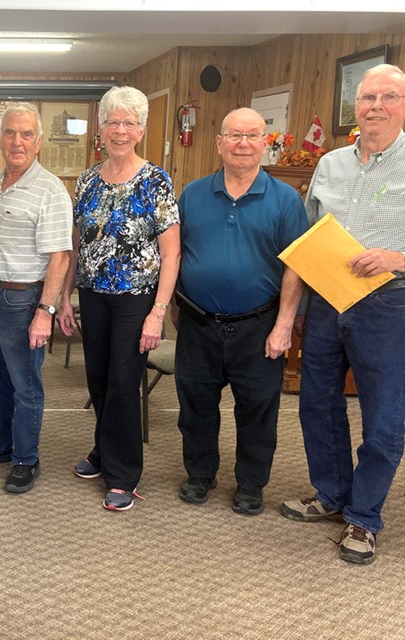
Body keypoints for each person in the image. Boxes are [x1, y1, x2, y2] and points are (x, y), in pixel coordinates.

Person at [281, 64, 405, 565]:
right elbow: (311, 234)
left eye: (388, 97)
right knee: (316, 404)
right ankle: (331, 493)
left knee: (382, 418)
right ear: (355, 108)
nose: (376, 106)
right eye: (367, 98)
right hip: (327, 301)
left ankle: (364, 517)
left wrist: (400, 258)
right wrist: (295, 309)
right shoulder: (331, 164)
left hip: (392, 305)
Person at [172, 108, 307, 516]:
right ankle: (200, 474)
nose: (243, 144)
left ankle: (250, 484)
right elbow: (175, 253)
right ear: (219, 143)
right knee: (195, 404)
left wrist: (284, 326)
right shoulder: (193, 195)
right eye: (234, 135)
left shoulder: (285, 200)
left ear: (265, 144)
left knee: (258, 410)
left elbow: (295, 267)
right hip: (198, 322)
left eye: (252, 136)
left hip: (259, 325)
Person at [57, 86, 180, 511]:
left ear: (141, 130)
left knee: (124, 383)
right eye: (113, 122)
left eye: (129, 123)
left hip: (136, 298)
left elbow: (172, 252)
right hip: (93, 294)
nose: (120, 130)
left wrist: (158, 313)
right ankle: (103, 450)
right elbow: (76, 245)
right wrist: (63, 296)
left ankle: (124, 474)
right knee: (98, 377)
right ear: (101, 129)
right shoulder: (88, 180)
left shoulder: (155, 181)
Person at [0, 103, 72, 493]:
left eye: (25, 135)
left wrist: (45, 311)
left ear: (38, 142)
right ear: (0, 138)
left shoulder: (50, 189)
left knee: (25, 383)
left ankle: (25, 458)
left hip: (24, 302)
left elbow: (59, 256)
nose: (16, 142)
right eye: (10, 133)